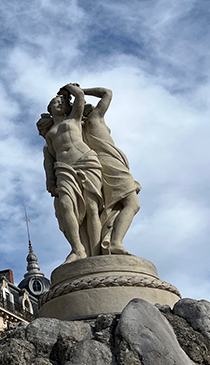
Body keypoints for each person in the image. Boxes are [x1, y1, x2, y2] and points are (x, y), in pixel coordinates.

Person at [37, 84, 104, 263]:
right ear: (50, 109)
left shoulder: (74, 119)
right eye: (54, 102)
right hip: (64, 167)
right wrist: (50, 178)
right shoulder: (50, 134)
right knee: (66, 205)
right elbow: (50, 157)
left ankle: (97, 252)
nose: (58, 104)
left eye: (61, 102)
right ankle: (77, 249)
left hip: (86, 161)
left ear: (67, 107)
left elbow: (80, 98)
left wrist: (69, 89)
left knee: (92, 208)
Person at [81, 87, 141, 255]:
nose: (93, 107)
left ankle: (111, 242)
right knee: (132, 204)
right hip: (111, 163)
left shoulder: (83, 129)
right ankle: (115, 243)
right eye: (89, 106)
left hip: (107, 162)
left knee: (117, 207)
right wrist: (82, 91)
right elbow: (107, 93)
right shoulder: (95, 118)